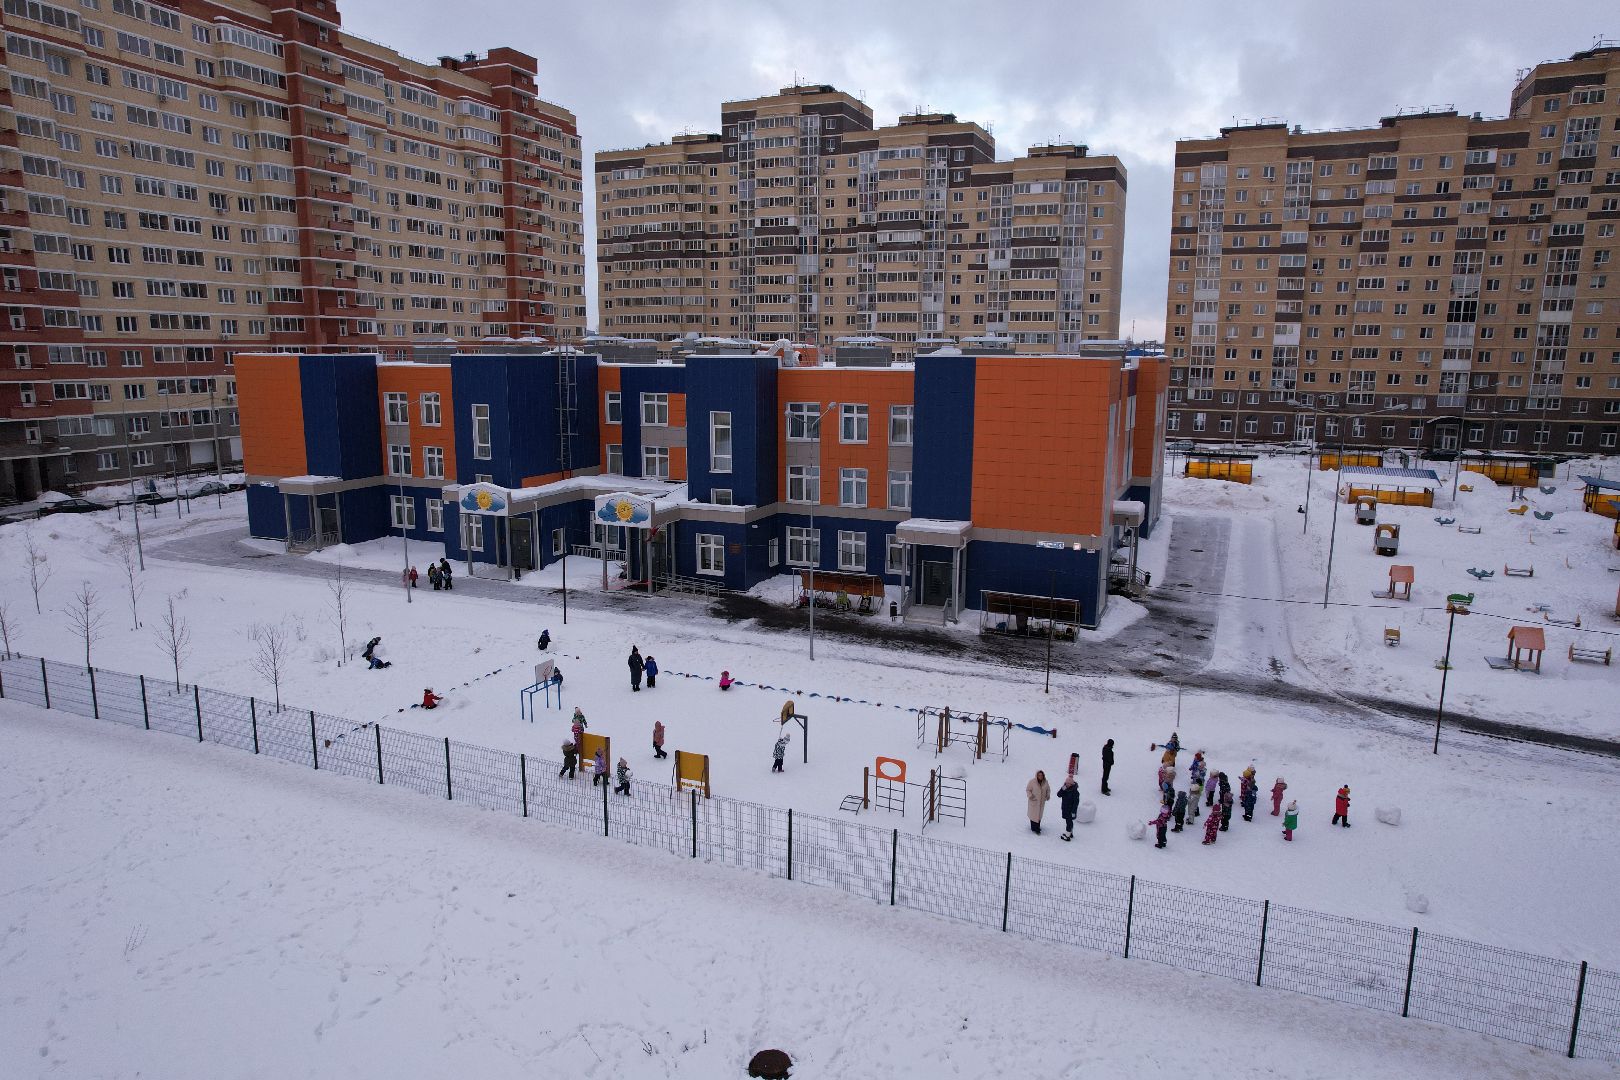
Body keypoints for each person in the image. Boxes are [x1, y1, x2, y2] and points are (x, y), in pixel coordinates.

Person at [1025, 770, 1051, 835]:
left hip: (1041, 802)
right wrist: (1030, 796)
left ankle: (1037, 828)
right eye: (1039, 775)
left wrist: (1047, 796)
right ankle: (1035, 828)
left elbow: (1048, 790)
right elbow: (1028, 789)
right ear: (1037, 775)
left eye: (1041, 775)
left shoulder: (1045, 782)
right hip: (1034, 801)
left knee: (1039, 815)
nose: (1040, 776)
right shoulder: (1032, 782)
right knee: (1033, 815)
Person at [1058, 776, 1080, 841]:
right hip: (1065, 809)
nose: (1067, 784)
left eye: (1068, 783)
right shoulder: (1065, 789)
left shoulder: (1075, 792)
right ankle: (1070, 833)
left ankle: (1067, 835)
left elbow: (1076, 803)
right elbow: (1058, 795)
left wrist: (1073, 811)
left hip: (1070, 810)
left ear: (1071, 784)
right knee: (1069, 822)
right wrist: (1062, 789)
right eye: (1066, 783)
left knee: (1069, 822)